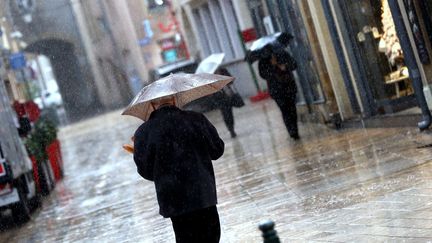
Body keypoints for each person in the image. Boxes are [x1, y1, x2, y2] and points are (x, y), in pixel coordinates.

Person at [133, 96, 225, 243]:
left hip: (174, 200)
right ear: (175, 99)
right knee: (211, 237)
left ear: (152, 104)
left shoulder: (143, 132)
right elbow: (217, 150)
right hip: (202, 193)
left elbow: (146, 171)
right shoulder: (196, 119)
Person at [258, 44, 300, 140]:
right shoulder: (263, 60)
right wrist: (272, 67)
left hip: (289, 87)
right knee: (284, 110)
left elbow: (294, 64)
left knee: (292, 109)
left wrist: (285, 66)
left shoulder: (283, 54)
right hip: (276, 90)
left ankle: (295, 129)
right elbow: (263, 75)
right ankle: (291, 131)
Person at [211, 67, 239, 138]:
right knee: (225, 114)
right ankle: (230, 130)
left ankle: (232, 128)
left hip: (228, 96)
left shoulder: (223, 70)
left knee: (230, 113)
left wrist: (225, 80)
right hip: (219, 98)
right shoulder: (210, 75)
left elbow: (231, 80)